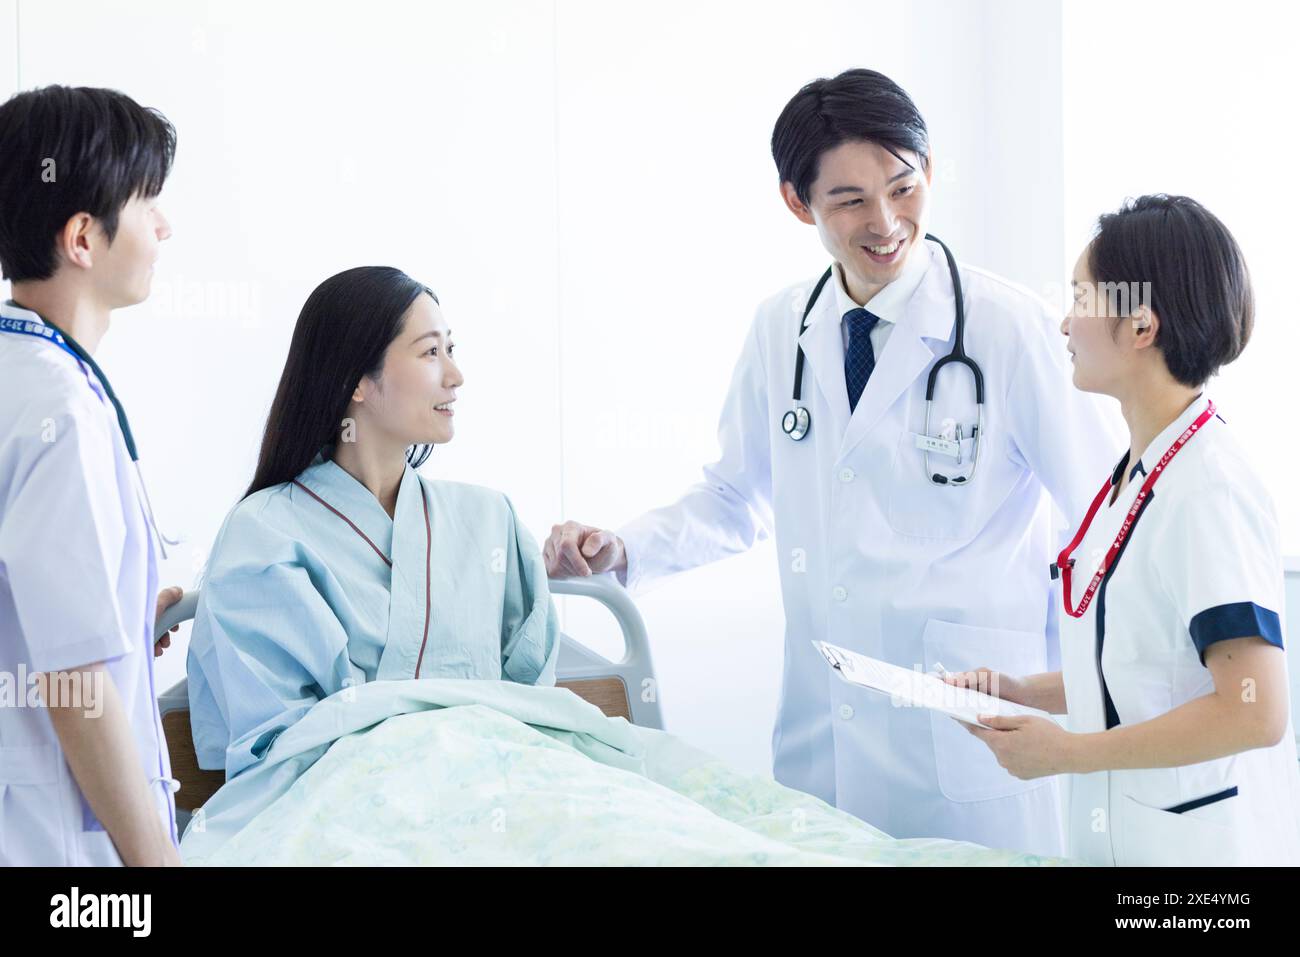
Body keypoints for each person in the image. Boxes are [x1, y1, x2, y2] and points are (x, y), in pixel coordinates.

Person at [543, 68, 1123, 856]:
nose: (885, 221)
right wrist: (626, 547)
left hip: (970, 730)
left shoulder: (1007, 328)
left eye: (903, 187)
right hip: (826, 727)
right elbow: (732, 498)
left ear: (929, 172)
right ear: (797, 202)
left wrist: (1095, 693)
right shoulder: (782, 328)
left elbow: (1106, 515)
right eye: (849, 200)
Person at [950, 194, 1300, 865]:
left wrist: (1070, 753)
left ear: (1141, 326)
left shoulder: (1208, 489)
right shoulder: (1140, 469)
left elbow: (1254, 708)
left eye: (1080, 297)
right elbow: (1143, 660)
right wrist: (1028, 692)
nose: (1062, 323)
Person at [186, 266, 560, 781]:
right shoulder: (264, 534)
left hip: (501, 785)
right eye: (431, 353)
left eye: (452, 350)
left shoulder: (492, 519)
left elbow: (533, 703)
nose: (455, 375)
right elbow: (278, 743)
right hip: (341, 805)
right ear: (357, 381)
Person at [0, 85, 183, 866]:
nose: (163, 226)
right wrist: (157, 867)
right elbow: (75, 687)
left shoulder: (26, 379)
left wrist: (122, 627)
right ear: (83, 235)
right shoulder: (59, 409)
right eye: (149, 203)